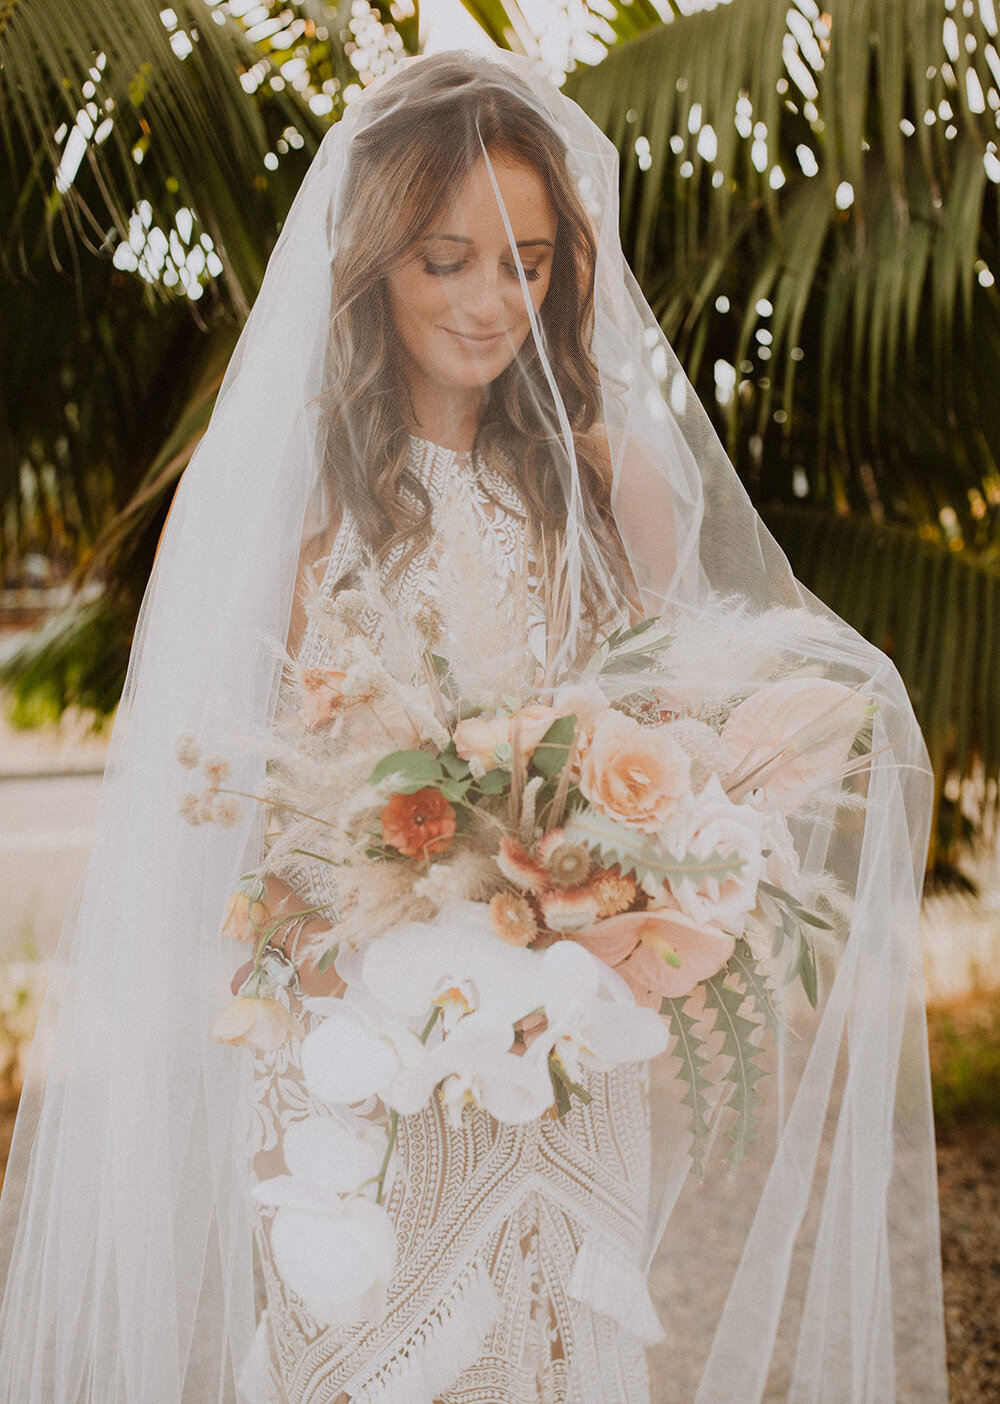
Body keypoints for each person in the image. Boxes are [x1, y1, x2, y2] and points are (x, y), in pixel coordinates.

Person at [0, 48, 947, 1404]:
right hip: (357, 1053)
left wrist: (656, 868)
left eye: (529, 262)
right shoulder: (293, 495)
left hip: (560, 1053)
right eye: (447, 259)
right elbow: (238, 810)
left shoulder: (616, 486)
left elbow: (681, 735)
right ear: (377, 261)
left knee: (557, 1355)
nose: (493, 301)